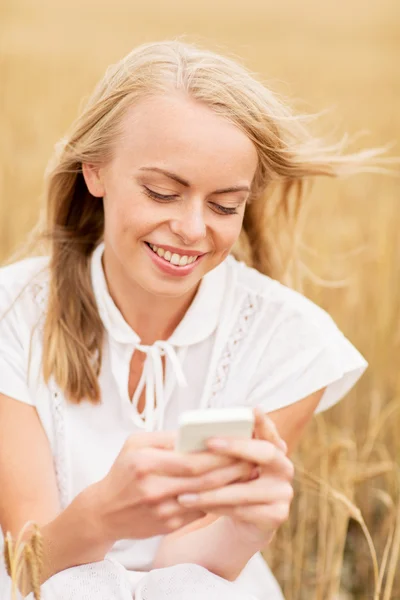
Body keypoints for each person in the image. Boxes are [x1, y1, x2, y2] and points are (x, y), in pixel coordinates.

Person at [0, 39, 378, 599]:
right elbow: (29, 568)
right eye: (162, 192)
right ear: (95, 171)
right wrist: (105, 512)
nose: (194, 229)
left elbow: (189, 571)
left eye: (226, 205)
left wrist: (244, 529)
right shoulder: (13, 311)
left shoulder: (291, 342)